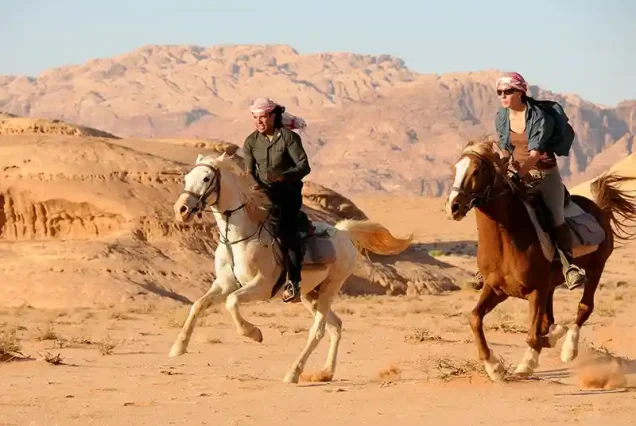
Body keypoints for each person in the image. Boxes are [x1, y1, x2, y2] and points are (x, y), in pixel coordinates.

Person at [484, 71, 586, 290]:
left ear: (521, 92)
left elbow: (535, 154)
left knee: (555, 216)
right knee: (496, 210)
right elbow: (505, 147)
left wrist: (516, 176)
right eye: (499, 92)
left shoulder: (539, 116)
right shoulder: (502, 116)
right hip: (515, 172)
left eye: (508, 91)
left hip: (544, 174)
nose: (503, 96)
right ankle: (489, 266)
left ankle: (569, 266)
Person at [242, 97, 311, 303]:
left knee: (286, 232)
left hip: (287, 195)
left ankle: (293, 283)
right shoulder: (251, 142)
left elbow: (304, 166)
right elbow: (249, 171)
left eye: (262, 117)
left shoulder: (289, 138)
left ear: (273, 116)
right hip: (263, 195)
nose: (259, 122)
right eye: (255, 118)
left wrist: (284, 177)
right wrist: (255, 185)